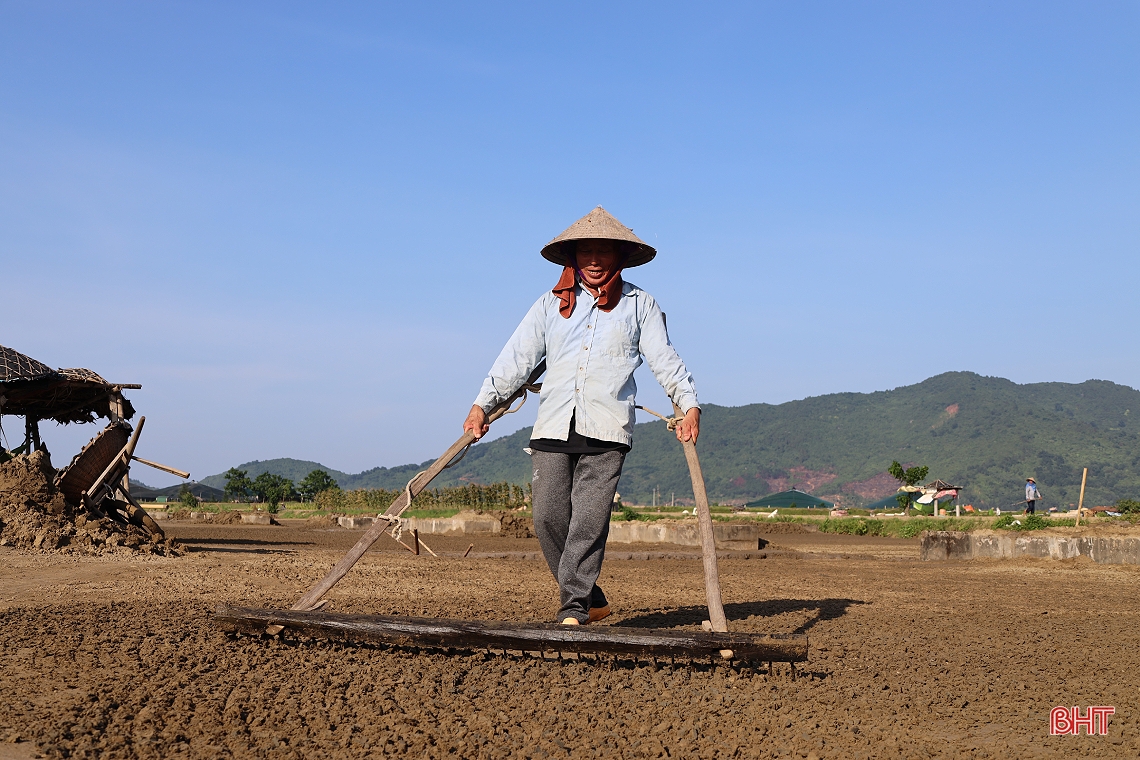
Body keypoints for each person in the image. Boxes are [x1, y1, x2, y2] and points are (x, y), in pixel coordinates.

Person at [463, 207, 700, 625]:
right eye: (585, 252)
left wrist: (689, 404)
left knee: (588, 522)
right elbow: (517, 358)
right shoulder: (549, 306)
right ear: (573, 257)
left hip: (607, 429)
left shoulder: (639, 306)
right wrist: (483, 403)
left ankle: (573, 606)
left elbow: (665, 360)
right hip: (553, 424)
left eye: (603, 252)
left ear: (619, 257)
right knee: (548, 518)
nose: (594, 260)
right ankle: (592, 596)